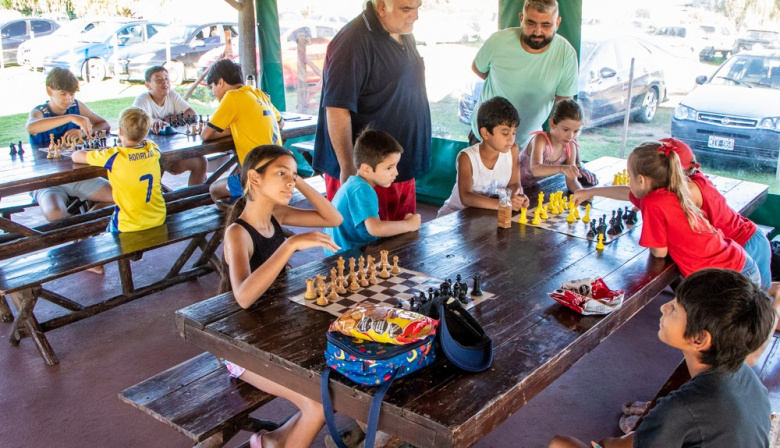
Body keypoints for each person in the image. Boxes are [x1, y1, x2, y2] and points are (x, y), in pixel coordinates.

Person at [549, 268, 775, 448]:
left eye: (675, 309)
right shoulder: (748, 380)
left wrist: (608, 444)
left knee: (560, 444)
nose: (664, 307)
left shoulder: (681, 408)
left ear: (699, 339)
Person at [219, 144, 342, 448]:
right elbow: (244, 297)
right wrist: (289, 246)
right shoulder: (238, 233)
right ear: (254, 178)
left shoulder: (276, 214)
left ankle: (270, 441)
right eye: (281, 174)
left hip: (270, 333)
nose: (290, 181)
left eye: (294, 175)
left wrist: (297, 180)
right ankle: (271, 442)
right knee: (318, 404)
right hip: (238, 346)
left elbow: (333, 218)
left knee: (335, 389)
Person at [572, 142, 761, 285]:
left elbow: (659, 252)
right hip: (738, 264)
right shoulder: (668, 191)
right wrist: (591, 191)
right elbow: (627, 193)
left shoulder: (653, 202)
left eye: (629, 176)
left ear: (641, 180)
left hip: (728, 278)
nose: (629, 181)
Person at [313, 0, 431, 221]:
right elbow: (337, 109)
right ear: (381, 7)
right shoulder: (352, 42)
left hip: (396, 166)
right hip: (367, 172)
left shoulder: (403, 33)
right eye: (406, 9)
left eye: (418, 7)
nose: (415, 16)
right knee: (363, 248)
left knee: (402, 244)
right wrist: (349, 170)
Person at [471, 0, 597, 187]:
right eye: (531, 23)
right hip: (487, 137)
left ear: (557, 23)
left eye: (546, 25)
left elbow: (565, 111)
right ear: (521, 18)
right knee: (478, 199)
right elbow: (479, 69)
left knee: (515, 203)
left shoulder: (566, 54)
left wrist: (577, 161)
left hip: (527, 145)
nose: (538, 31)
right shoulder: (498, 41)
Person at [659, 137, 772, 291]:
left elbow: (655, 201)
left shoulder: (689, 191)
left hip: (746, 244)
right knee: (759, 296)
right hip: (748, 240)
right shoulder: (695, 178)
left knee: (757, 304)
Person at [26, 67, 113, 222]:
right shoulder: (40, 112)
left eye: (72, 94)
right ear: (49, 91)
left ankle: (83, 228)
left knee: (120, 196)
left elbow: (104, 124)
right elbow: (31, 127)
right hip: (46, 181)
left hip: (78, 177)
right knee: (56, 215)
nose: (68, 99)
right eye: (63, 94)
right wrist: (70, 118)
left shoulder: (76, 106)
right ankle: (80, 230)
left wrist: (83, 133)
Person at [325, 129, 421, 256]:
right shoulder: (362, 190)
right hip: (349, 259)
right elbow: (375, 228)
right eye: (389, 168)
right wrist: (409, 225)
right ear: (366, 169)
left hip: (342, 252)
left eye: (396, 166)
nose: (396, 173)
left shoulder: (354, 184)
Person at [200, 59, 284, 203]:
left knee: (214, 190)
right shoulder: (258, 93)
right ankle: (248, 213)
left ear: (220, 82)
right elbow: (281, 122)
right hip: (280, 171)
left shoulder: (232, 96)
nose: (213, 92)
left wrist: (233, 128)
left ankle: (239, 221)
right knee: (241, 173)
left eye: (212, 87)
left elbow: (206, 134)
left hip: (260, 177)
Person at [72, 107, 165, 233]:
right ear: (146, 132)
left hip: (127, 225)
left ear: (120, 132)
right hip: (158, 218)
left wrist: (109, 149)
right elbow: (147, 142)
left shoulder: (114, 156)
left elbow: (76, 156)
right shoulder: (153, 149)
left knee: (105, 235)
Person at [438, 96, 529, 217]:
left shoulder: (513, 151)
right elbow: (466, 197)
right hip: (456, 215)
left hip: (486, 215)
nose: (511, 139)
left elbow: (514, 184)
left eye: (514, 133)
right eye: (505, 133)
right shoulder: (466, 157)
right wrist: (503, 204)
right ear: (485, 133)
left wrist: (517, 197)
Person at [132, 65, 207, 186]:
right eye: (158, 80)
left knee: (201, 162)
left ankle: (193, 200)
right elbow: (135, 122)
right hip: (150, 156)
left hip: (173, 154)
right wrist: (154, 121)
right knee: (154, 174)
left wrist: (167, 120)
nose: (164, 82)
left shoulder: (171, 95)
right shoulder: (142, 100)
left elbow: (192, 114)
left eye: (166, 78)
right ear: (148, 85)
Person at [518, 99, 583, 193]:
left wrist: (582, 193)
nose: (570, 136)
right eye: (566, 129)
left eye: (576, 131)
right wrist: (562, 168)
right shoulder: (540, 139)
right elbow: (535, 169)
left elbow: (571, 181)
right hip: (510, 186)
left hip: (531, 188)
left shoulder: (570, 145)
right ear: (552, 124)